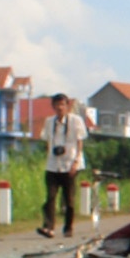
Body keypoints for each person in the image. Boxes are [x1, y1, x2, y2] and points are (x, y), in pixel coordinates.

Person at [39, 92, 89, 237]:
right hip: (53, 164)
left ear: (67, 106)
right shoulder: (49, 122)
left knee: (69, 200)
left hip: (70, 164)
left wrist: (76, 163)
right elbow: (46, 140)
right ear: (53, 106)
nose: (60, 108)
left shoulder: (76, 121)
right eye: (57, 105)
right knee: (50, 197)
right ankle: (49, 227)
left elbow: (80, 142)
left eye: (63, 104)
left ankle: (68, 227)